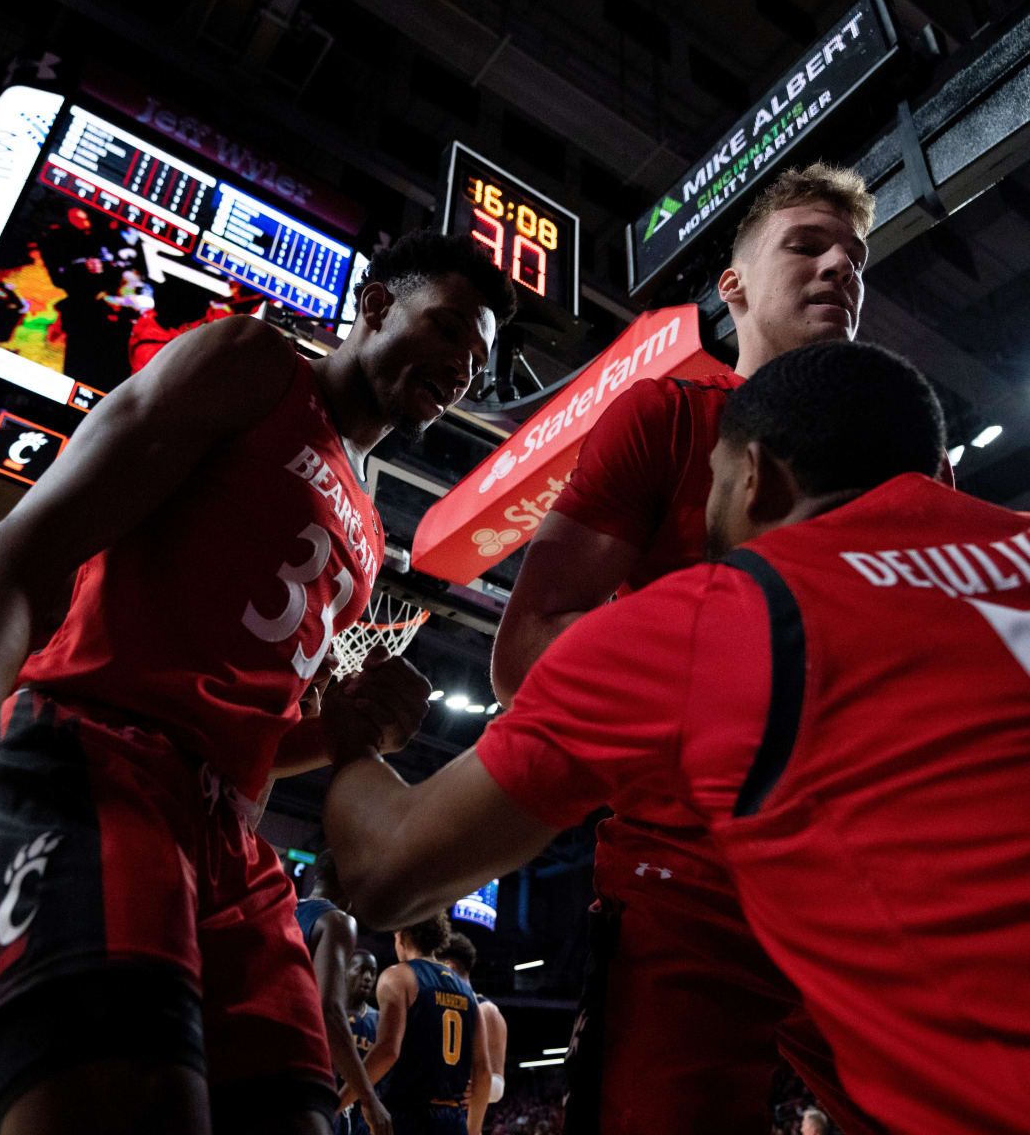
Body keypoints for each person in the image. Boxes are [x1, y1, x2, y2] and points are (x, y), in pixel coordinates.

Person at [0, 229, 516, 1135]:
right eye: (443, 328)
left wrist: (341, 729)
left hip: (226, 835)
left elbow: (238, 736)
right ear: (372, 305)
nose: (459, 365)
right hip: (94, 764)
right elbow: (15, 557)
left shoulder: (365, 528)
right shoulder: (252, 365)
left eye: (475, 359)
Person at [326, 340, 1030, 1135]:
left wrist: (355, 735)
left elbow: (388, 874)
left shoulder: (717, 616)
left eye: (718, 483)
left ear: (757, 476)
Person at [489, 162, 877, 1134]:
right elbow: (525, 650)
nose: (840, 267)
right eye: (807, 245)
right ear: (733, 287)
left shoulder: (909, 466)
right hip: (687, 875)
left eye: (856, 257)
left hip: (866, 877)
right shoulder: (665, 418)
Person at [343, 914, 489, 1135]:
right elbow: (483, 1072)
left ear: (402, 936)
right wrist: (475, 1130)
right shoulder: (467, 992)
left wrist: (339, 1101)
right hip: (452, 1120)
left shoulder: (397, 976)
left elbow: (387, 1051)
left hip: (405, 1116)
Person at [296, 851, 391, 1135]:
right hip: (295, 1071)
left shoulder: (280, 905)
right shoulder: (337, 920)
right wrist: (370, 1099)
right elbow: (329, 1012)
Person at [439, 933, 505, 1106]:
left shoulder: (486, 1010)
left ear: (448, 966)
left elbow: (498, 1087)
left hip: (464, 1120)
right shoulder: (437, 1005)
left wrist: (472, 1085)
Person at [343, 952, 380, 1135]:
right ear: (344, 971)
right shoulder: (322, 1013)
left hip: (363, 1112)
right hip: (327, 1104)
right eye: (362, 970)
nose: (368, 978)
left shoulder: (380, 1022)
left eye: (372, 973)